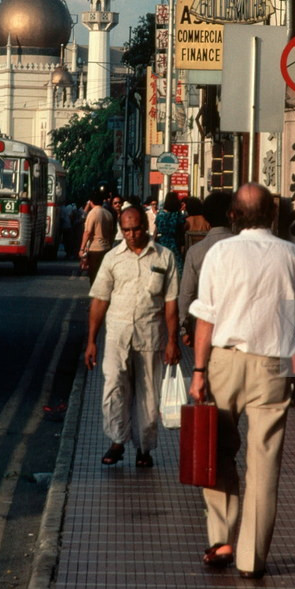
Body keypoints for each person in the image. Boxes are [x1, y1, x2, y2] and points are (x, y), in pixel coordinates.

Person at [188, 183, 295, 580]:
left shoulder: (219, 252)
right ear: (272, 215)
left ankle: (221, 537)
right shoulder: (293, 255)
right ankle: (251, 558)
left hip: (225, 361)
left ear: (234, 216)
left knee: (218, 450)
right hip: (274, 366)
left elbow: (205, 317)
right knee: (264, 463)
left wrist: (199, 372)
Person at [84, 206, 181, 468]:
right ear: (120, 229)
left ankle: (144, 448)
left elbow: (171, 303)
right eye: (126, 230)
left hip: (151, 335)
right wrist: (91, 340)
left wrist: (173, 340)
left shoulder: (164, 257)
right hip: (117, 335)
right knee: (113, 386)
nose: (132, 234)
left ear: (146, 227)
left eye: (136, 228)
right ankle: (117, 441)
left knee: (148, 395)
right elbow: (100, 300)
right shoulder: (112, 258)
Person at [177, 190, 233, 345]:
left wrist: (185, 327)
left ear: (206, 218)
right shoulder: (245, 248)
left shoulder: (195, 251)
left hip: (205, 327)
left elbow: (187, 293)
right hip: (239, 328)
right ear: (233, 215)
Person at [79, 197, 116, 284]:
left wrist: (82, 248)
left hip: (95, 249)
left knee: (94, 276)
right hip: (106, 248)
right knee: (104, 276)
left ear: (91, 202)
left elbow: (88, 232)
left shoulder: (93, 213)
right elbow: (112, 233)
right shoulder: (108, 214)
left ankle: (97, 295)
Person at [154, 191, 187, 275]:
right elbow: (182, 230)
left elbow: (156, 230)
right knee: (177, 266)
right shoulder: (178, 215)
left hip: (162, 242)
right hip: (175, 242)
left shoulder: (160, 214)